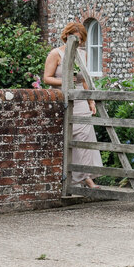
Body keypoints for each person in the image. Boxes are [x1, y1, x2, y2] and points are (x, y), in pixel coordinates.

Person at [42, 22, 101, 189]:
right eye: (73, 37)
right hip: (63, 99)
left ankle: (87, 177)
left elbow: (85, 80)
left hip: (81, 100)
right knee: (69, 138)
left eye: (80, 39)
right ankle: (71, 178)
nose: (77, 41)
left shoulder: (83, 55)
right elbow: (47, 78)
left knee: (85, 137)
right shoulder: (56, 54)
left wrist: (91, 100)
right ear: (66, 36)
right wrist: (66, 80)